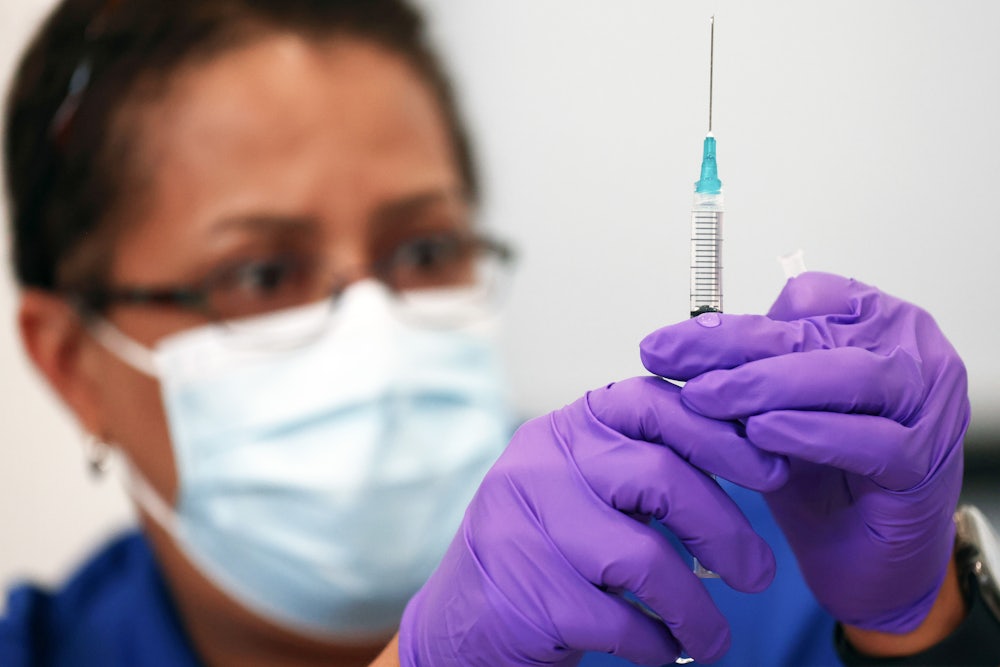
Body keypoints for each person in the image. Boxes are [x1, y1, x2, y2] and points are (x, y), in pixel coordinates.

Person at [1, 1, 997, 665]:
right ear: (69, 362)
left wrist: (918, 630)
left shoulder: (727, 586)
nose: (374, 327)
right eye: (261, 273)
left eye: (425, 249)